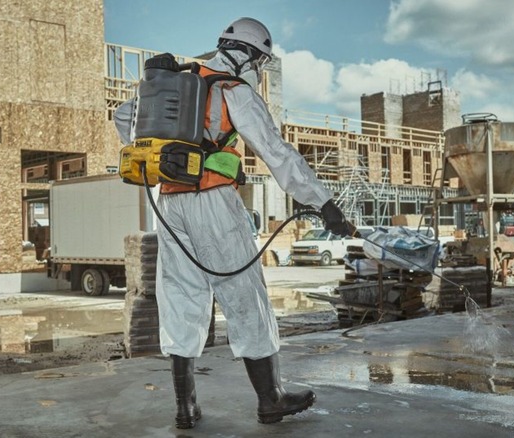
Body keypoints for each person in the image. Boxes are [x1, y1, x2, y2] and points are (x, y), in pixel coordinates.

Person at [113, 17, 351, 429]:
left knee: (181, 298)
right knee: (244, 295)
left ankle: (185, 407)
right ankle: (270, 398)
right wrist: (323, 202)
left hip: (168, 203)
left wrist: (167, 154)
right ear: (251, 57)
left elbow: (122, 117)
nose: (258, 70)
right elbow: (276, 152)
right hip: (213, 202)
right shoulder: (232, 89)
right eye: (260, 62)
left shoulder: (174, 83)